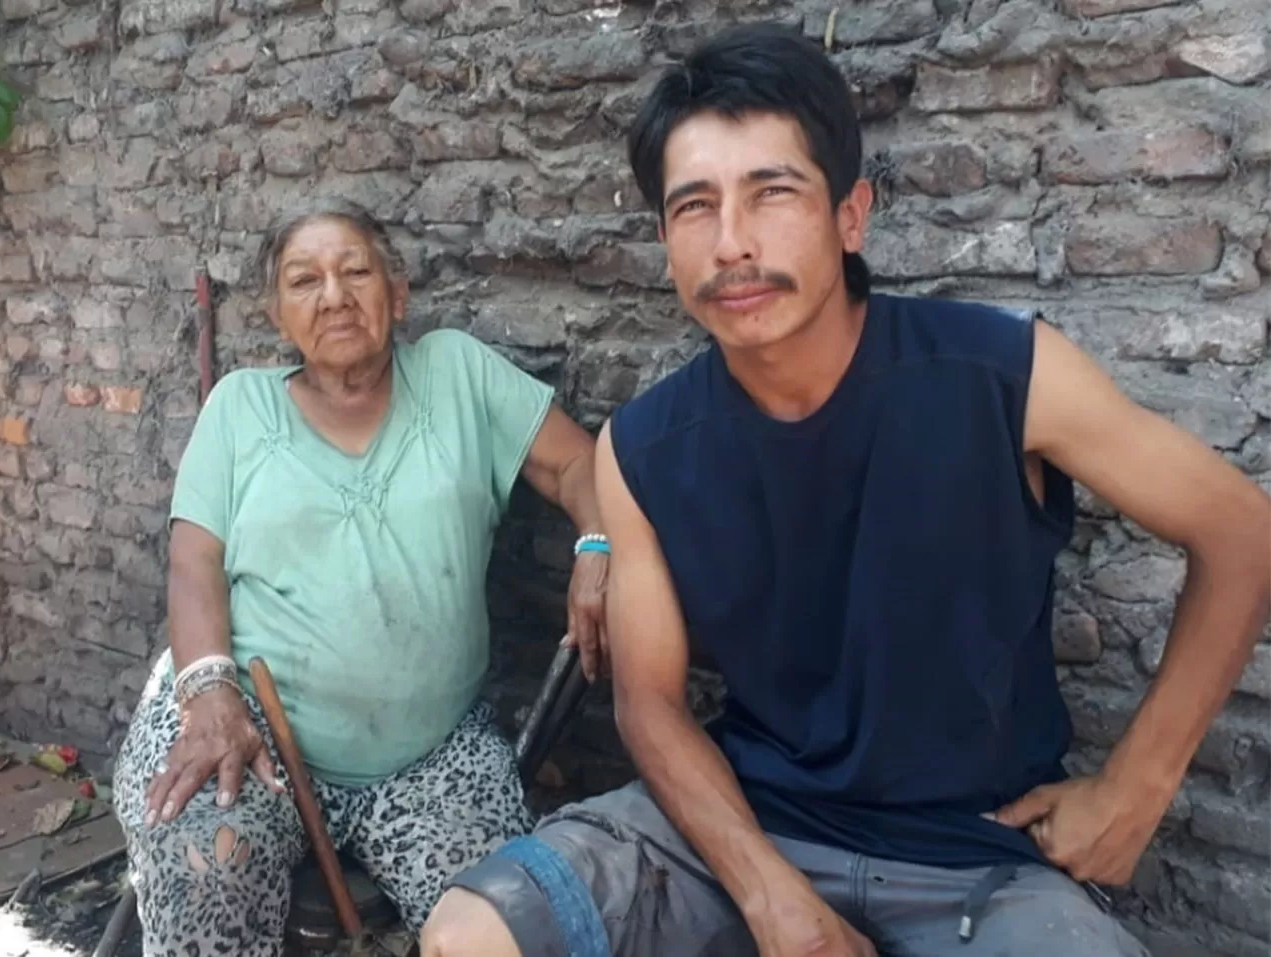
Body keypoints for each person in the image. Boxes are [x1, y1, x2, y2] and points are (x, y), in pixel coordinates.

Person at [419, 23, 1271, 957]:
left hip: (975, 857)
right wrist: (771, 895)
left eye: (772, 192)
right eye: (694, 206)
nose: (733, 243)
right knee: (470, 932)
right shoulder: (645, 449)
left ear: (850, 215)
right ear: (664, 240)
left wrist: (1137, 785)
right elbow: (651, 705)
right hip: (739, 826)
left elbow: (1239, 530)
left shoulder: (1000, 375)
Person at [111, 199, 611, 957]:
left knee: (508, 920)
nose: (334, 295)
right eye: (304, 280)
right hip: (244, 725)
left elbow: (580, 463)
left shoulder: (457, 374)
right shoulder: (240, 409)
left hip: (432, 752)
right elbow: (193, 563)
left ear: (398, 293)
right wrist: (209, 691)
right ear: (280, 315)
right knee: (205, 858)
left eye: (355, 272)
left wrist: (598, 542)